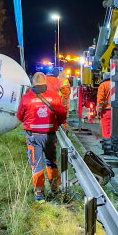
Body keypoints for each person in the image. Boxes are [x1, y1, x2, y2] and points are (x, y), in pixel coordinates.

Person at [17, 72, 68, 202]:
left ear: (33, 82)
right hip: (50, 135)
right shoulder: (55, 96)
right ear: (45, 82)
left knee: (36, 164)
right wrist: (55, 124)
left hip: (33, 136)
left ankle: (39, 195)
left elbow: (20, 116)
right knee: (51, 162)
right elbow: (62, 115)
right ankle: (55, 189)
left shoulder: (26, 98)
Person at [96, 72, 112, 140]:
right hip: (117, 110)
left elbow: (100, 100)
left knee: (106, 130)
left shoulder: (103, 85)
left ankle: (108, 143)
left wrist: (98, 110)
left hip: (106, 111)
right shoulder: (116, 84)